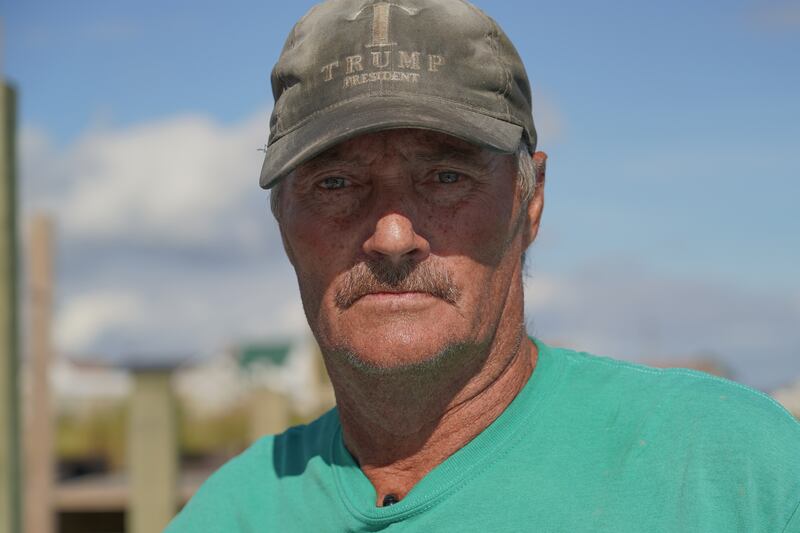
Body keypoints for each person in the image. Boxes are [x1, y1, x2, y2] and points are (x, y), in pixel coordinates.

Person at [167, 0, 800, 531]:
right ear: (281, 216)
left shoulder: (730, 467)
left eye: (445, 176)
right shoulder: (229, 513)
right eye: (335, 183)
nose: (391, 236)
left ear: (532, 200)